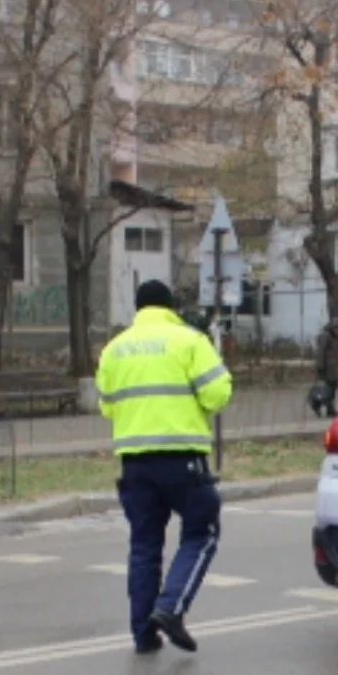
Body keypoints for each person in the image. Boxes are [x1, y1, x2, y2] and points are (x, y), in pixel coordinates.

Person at [96, 279, 235, 654]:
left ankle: (144, 635)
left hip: (135, 465)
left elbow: (107, 405)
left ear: (138, 310)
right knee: (201, 533)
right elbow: (219, 392)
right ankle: (171, 608)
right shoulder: (189, 341)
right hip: (181, 459)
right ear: (170, 307)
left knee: (144, 546)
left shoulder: (114, 349)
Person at [311, 320, 338, 418]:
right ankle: (316, 405)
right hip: (326, 369)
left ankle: (330, 409)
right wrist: (320, 366)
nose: (337, 330)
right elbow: (321, 352)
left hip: (333, 370)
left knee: (332, 390)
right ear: (331, 327)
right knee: (325, 390)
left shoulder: (333, 337)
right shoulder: (325, 336)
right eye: (336, 328)